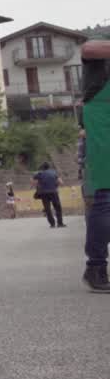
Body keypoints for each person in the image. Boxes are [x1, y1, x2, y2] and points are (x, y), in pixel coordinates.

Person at [77, 39, 110, 292]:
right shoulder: (100, 48)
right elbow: (88, 49)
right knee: (105, 199)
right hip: (103, 127)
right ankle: (96, 267)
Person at [33, 162, 66, 228]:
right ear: (49, 167)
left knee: (47, 209)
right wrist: (56, 185)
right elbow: (61, 182)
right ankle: (60, 223)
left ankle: (52, 224)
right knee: (57, 208)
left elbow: (34, 182)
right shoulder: (54, 172)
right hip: (53, 192)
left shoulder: (39, 173)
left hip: (44, 193)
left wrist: (38, 187)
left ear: (42, 168)